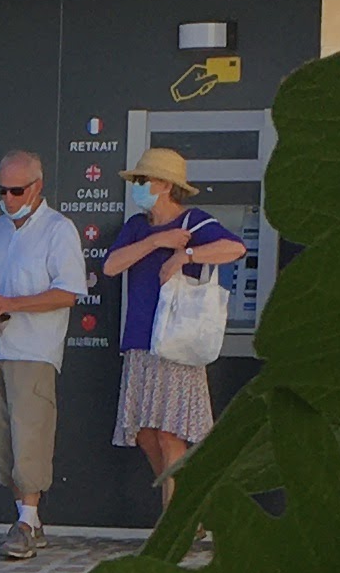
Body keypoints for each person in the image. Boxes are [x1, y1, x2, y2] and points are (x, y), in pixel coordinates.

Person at [101, 143, 248, 509]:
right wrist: (157, 242)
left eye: (143, 180)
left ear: (165, 185)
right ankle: (185, 504)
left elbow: (235, 248)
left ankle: (175, 517)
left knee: (170, 434)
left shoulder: (192, 221)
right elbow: (111, 266)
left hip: (176, 342)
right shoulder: (137, 227)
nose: (138, 187)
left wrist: (186, 254)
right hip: (140, 341)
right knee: (145, 433)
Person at [0, 148, 89, 560]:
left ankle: (27, 521)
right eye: (2, 190)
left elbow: (68, 293)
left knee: (30, 432)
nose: (9, 198)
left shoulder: (58, 229)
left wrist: (14, 304)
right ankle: (27, 518)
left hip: (34, 348)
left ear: (37, 187)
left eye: (16, 190)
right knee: (1, 440)